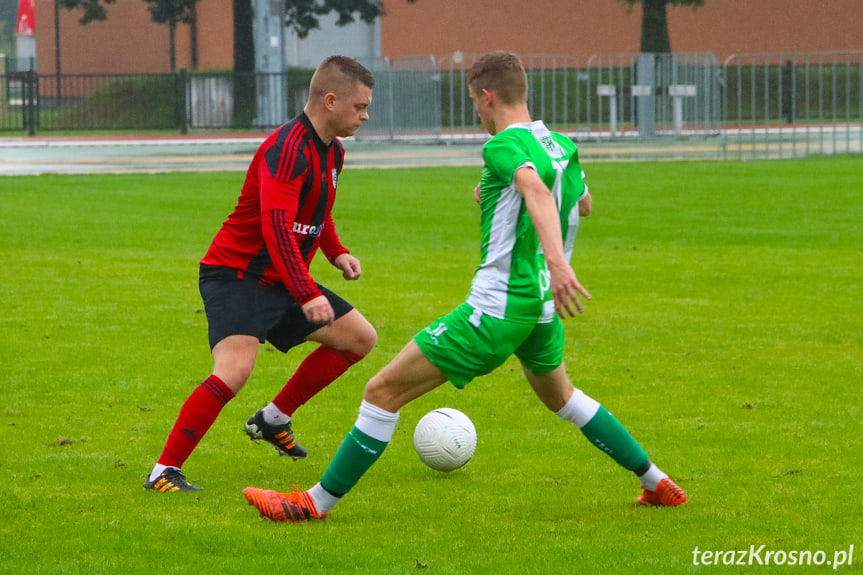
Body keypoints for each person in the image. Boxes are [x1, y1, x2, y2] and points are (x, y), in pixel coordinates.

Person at [242, 50, 687, 518]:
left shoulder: (501, 147)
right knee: (564, 398)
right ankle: (656, 482)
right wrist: (500, 199)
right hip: (538, 309)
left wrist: (557, 261)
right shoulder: (559, 144)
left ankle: (313, 504)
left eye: (476, 103)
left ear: (488, 96)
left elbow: (535, 190)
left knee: (381, 392)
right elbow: (582, 202)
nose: (478, 113)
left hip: (495, 308)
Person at [144, 56, 378, 493]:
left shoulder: (333, 152)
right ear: (331, 101)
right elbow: (276, 227)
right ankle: (164, 471)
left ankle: (273, 420)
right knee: (234, 370)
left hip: (281, 277)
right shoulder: (287, 148)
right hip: (236, 274)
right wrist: (307, 291)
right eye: (360, 106)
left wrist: (336, 252)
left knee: (359, 338)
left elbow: (317, 211)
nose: (365, 116)